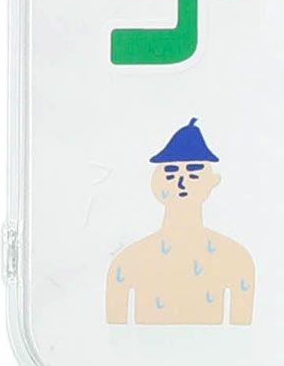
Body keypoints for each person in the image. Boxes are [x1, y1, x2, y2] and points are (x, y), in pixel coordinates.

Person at [105, 119, 255, 325]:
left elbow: (244, 334)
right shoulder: (126, 263)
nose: (181, 182)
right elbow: (112, 333)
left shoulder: (236, 261)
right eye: (171, 173)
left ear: (213, 182)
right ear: (155, 183)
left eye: (193, 173)